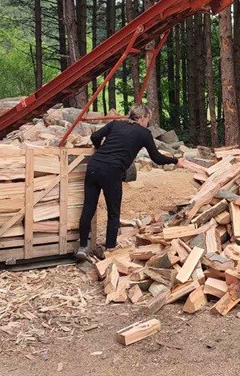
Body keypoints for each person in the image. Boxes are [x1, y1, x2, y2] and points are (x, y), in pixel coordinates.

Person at [77, 104, 185, 259]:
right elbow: (156, 158)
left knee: (88, 207)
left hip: (94, 166)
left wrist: (99, 149)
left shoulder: (115, 123)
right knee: (113, 212)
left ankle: (82, 248)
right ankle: (110, 250)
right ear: (141, 118)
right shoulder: (144, 133)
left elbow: (95, 137)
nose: (147, 123)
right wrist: (175, 161)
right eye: (147, 119)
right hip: (112, 172)